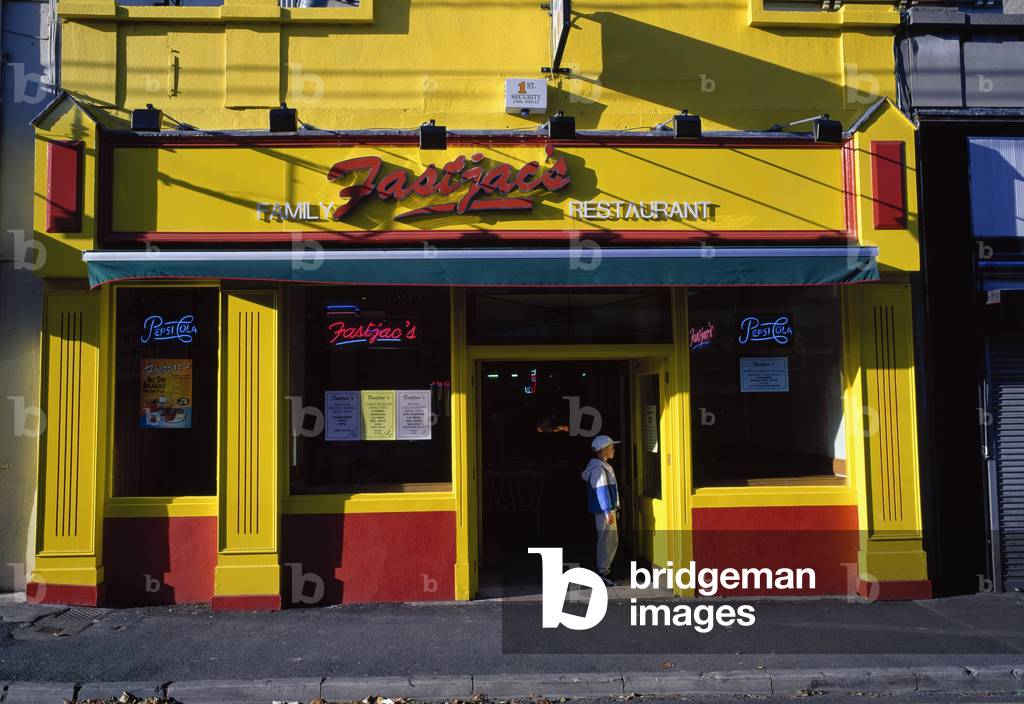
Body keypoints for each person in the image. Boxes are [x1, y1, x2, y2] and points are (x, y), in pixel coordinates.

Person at [582, 434, 621, 586]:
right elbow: (602, 490)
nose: (614, 449)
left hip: (606, 510)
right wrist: (607, 511)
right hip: (604, 511)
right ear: (604, 450)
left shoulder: (601, 466)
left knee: (610, 539)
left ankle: (606, 569)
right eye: (611, 447)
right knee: (607, 539)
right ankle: (603, 571)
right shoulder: (599, 469)